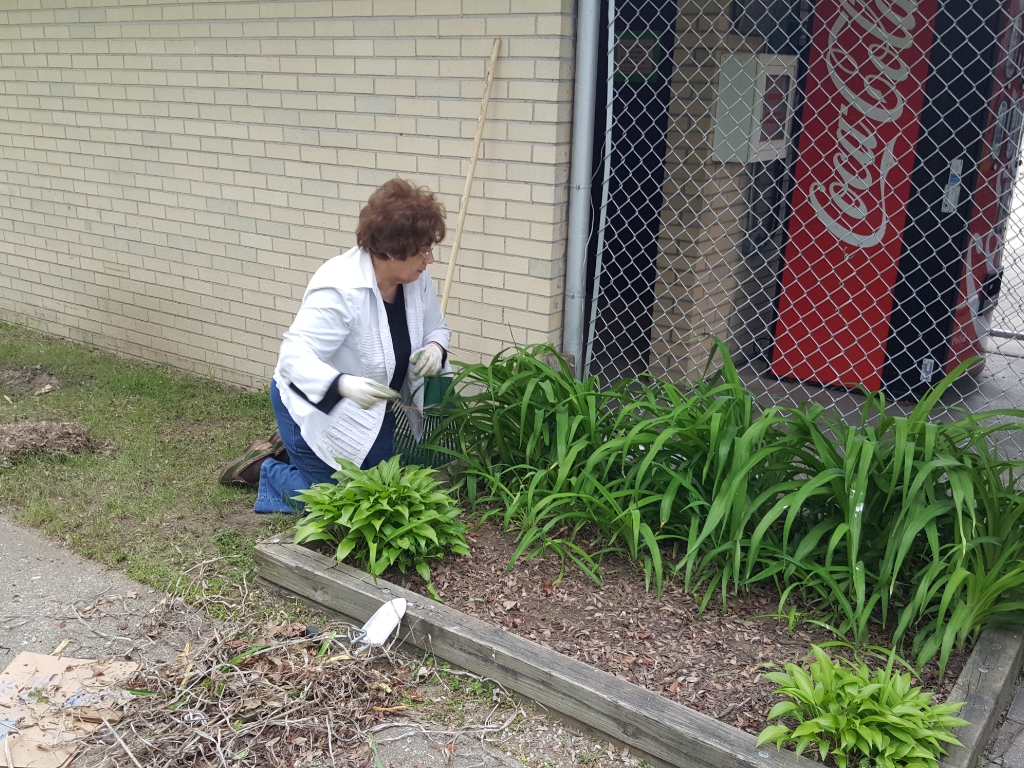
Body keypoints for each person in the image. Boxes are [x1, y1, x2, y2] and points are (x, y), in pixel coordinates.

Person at [218, 178, 451, 513]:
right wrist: (343, 384)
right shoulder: (340, 287)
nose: (429, 260)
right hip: (317, 402)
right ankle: (268, 470)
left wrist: (434, 348)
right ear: (390, 249)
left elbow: (438, 328)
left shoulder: (415, 279)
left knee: (379, 494)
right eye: (423, 250)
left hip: (373, 408)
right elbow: (293, 360)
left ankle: (287, 450)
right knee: (339, 506)